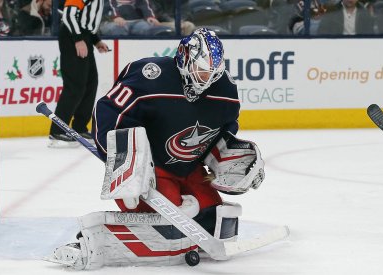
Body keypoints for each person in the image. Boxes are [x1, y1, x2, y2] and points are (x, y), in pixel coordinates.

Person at [47, 28, 265, 269]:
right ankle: (100, 242)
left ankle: (180, 239)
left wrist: (236, 164)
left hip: (191, 169)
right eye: (200, 70)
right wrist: (123, 164)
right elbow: (108, 112)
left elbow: (222, 135)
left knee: (214, 218)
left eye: (211, 73)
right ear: (185, 57)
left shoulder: (226, 92)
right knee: (167, 223)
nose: (205, 79)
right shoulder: (150, 76)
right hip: (150, 169)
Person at [48, 0, 109, 147]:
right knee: (75, 85)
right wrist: (78, 39)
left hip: (83, 36)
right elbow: (69, 16)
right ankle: (57, 131)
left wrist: (95, 40)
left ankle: (79, 128)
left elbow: (86, 21)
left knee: (90, 83)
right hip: (72, 36)